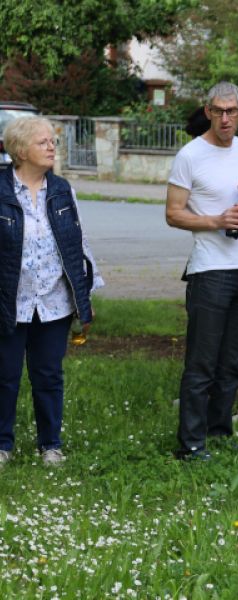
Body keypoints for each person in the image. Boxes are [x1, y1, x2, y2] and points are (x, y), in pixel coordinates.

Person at [165, 82, 238, 460]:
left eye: (232, 111)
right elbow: (173, 213)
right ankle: (191, 444)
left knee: (231, 360)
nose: (225, 118)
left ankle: (218, 430)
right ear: (208, 111)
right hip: (210, 271)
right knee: (202, 361)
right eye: (218, 111)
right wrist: (216, 219)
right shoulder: (190, 155)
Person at [0, 116, 103, 466]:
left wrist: (85, 296)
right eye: (42, 142)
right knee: (5, 376)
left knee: (48, 376)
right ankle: (2, 445)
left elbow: (78, 242)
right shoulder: (0, 188)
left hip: (52, 301)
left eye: (52, 142)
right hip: (8, 301)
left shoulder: (61, 189)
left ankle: (50, 445)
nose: (51, 147)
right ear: (20, 149)